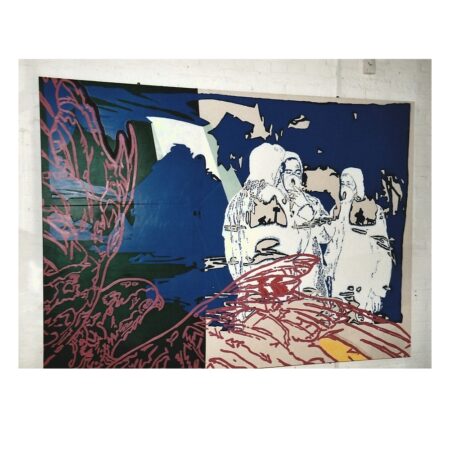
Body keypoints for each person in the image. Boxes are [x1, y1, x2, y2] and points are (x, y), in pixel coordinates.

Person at [324, 167, 392, 313]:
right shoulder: (337, 210)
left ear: (357, 186)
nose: (345, 187)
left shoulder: (372, 210)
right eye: (343, 183)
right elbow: (331, 243)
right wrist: (328, 272)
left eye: (349, 183)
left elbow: (383, 252)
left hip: (362, 280)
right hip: (339, 281)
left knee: (360, 321)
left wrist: (378, 292)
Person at [223, 143, 289, 279]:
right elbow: (287, 239)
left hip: (243, 278)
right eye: (279, 167)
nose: (280, 174)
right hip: (273, 279)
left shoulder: (235, 201)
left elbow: (229, 243)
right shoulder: (274, 195)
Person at [277, 152, 332, 296]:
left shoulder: (312, 202)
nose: (293, 177)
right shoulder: (273, 202)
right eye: (289, 172)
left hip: (311, 277)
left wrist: (305, 207)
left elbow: (326, 237)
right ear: (280, 175)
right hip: (284, 276)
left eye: (297, 172)